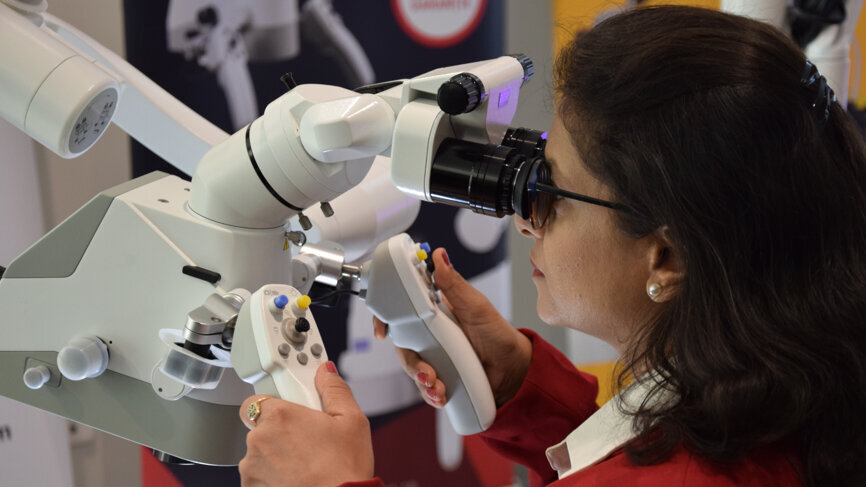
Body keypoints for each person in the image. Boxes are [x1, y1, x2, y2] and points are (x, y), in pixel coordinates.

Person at [235, 5, 866, 486]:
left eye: (549, 191)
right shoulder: (803, 392)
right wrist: (526, 390)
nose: (526, 222)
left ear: (666, 259)